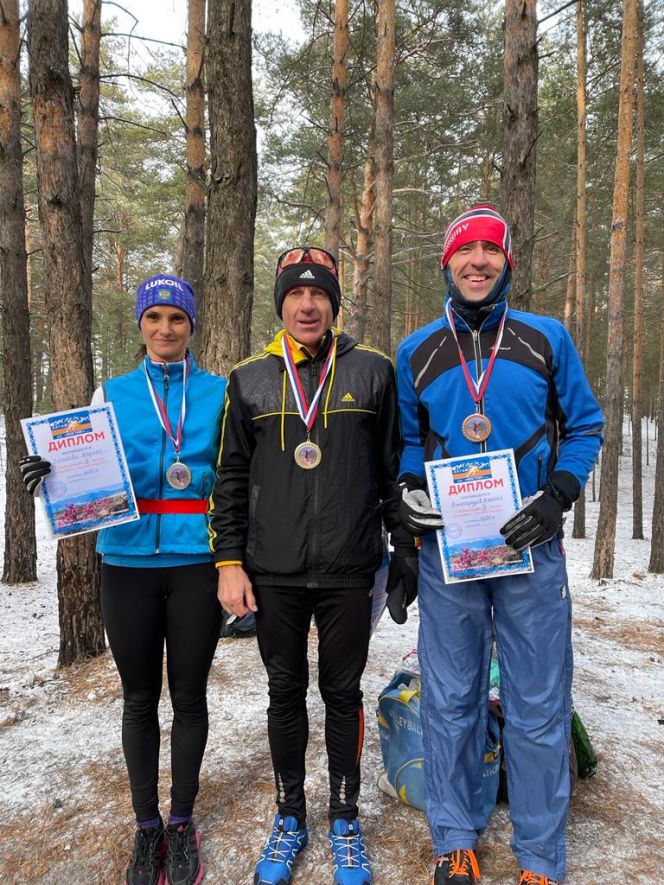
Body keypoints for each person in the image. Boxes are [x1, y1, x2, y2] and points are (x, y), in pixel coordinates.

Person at [395, 206, 604, 885]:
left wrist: (558, 497)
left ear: (507, 262)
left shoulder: (548, 339)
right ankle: (455, 838)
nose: (477, 260)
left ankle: (540, 855)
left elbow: (586, 425)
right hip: (449, 555)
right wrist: (405, 490)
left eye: (490, 250)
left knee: (538, 700)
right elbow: (406, 440)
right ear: (447, 264)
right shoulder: (418, 350)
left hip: (530, 546)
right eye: (465, 250)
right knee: (450, 697)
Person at [207, 246, 418, 885]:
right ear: (281, 304)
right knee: (283, 692)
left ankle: (345, 817)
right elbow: (230, 477)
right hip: (271, 570)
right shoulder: (248, 379)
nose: (307, 305)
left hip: (351, 567)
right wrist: (228, 562)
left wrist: (403, 545)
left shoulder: (374, 371)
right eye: (296, 295)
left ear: (333, 302)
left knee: (343, 693)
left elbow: (393, 473)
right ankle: (290, 813)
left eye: (319, 294)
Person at [20, 275, 226, 885]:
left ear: (192, 326)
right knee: (139, 699)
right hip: (127, 564)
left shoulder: (218, 393)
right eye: (155, 317)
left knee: (189, 698)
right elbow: (85, 464)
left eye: (177, 319)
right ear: (140, 325)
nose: (166, 329)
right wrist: (49, 472)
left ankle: (182, 822)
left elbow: (237, 475)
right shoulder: (108, 393)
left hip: (196, 564)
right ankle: (146, 827)